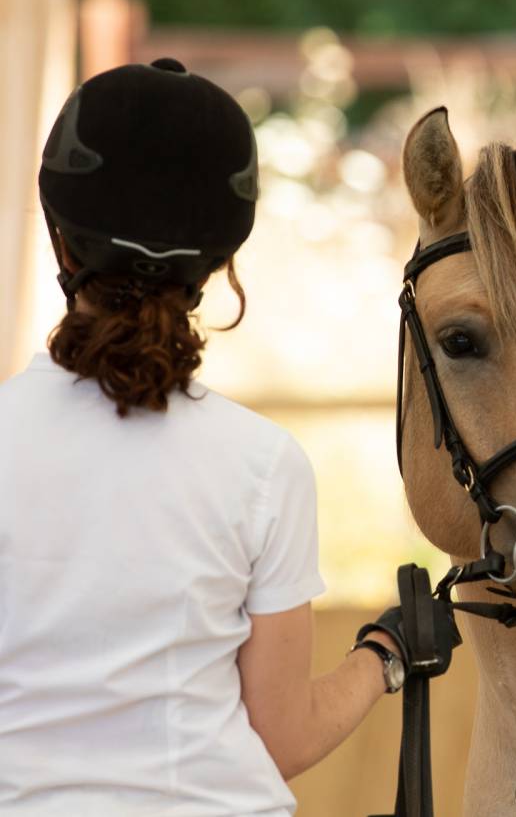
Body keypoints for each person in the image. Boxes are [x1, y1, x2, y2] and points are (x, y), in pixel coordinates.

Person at [0, 58, 407, 816]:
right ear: (221, 263)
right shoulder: (264, 465)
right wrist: (387, 655)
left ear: (62, 238)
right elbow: (281, 738)